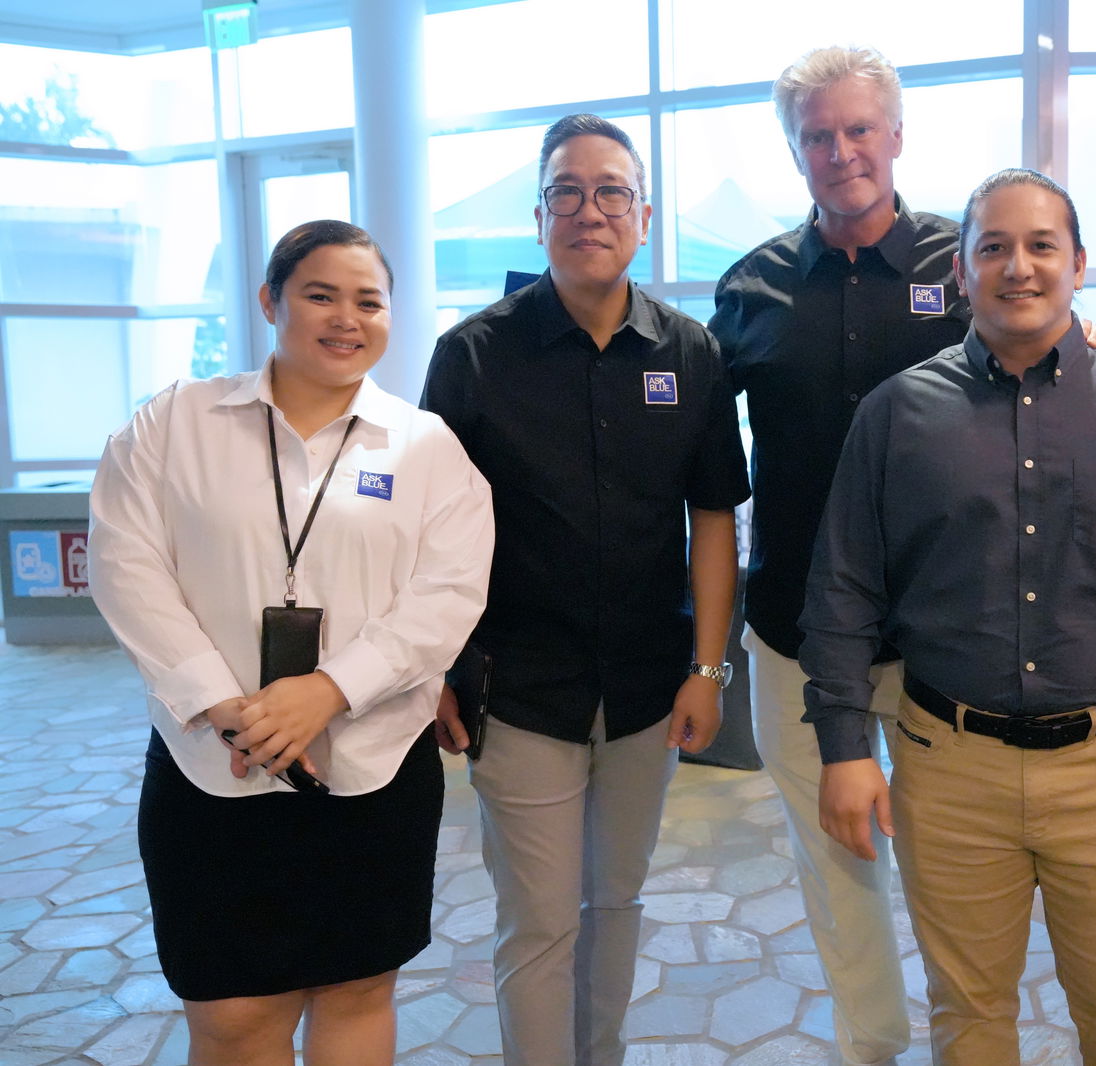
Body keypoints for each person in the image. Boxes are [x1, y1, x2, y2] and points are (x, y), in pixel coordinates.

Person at [710, 48, 1096, 1064]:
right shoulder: (750, 287)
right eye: (816, 133)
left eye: (858, 129)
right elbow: (703, 467)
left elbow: (1042, 352)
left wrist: (1088, 341)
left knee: (951, 872)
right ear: (793, 147)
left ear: (894, 135)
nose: (840, 151)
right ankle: (870, 1044)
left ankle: (964, 1037)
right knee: (834, 863)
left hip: (952, 637)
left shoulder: (966, 260)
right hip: (799, 632)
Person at [800, 168, 1096, 1066]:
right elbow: (843, 590)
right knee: (968, 1022)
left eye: (1042, 245)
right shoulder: (898, 415)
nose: (1019, 266)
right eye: (993, 247)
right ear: (962, 272)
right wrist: (845, 747)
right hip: (946, 765)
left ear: (1079, 264)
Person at [88, 220, 495, 1066]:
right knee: (233, 1014)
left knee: (355, 993)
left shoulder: (427, 448)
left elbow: (447, 597)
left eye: (369, 301)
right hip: (212, 763)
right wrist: (224, 703)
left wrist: (328, 690)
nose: (347, 318)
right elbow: (128, 566)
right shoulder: (175, 423)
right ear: (271, 301)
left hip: (373, 763)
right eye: (321, 294)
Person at [421, 114, 749, 1066]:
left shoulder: (689, 354)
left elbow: (715, 519)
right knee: (539, 920)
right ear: (538, 216)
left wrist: (708, 670)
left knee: (616, 902)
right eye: (567, 190)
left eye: (611, 192)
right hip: (520, 687)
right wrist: (439, 666)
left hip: (650, 687)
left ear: (642, 217)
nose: (589, 210)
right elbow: (431, 534)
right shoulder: (474, 355)